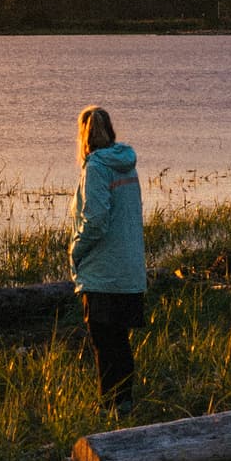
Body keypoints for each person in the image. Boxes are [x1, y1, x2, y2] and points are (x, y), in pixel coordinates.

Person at [69, 103, 145, 413]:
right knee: (120, 342)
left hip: (103, 273)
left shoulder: (96, 167)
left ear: (83, 136)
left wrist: (76, 249)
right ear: (111, 130)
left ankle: (109, 406)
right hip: (128, 271)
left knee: (104, 343)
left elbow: (96, 219)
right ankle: (123, 403)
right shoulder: (127, 163)